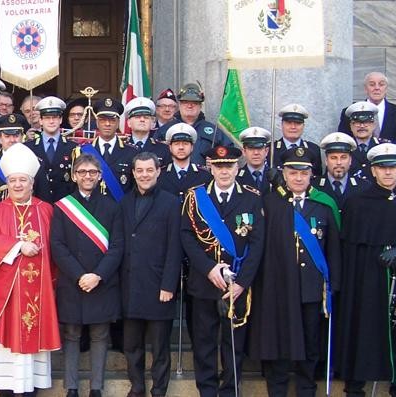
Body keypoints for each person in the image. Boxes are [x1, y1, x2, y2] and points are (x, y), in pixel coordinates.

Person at [336, 143, 396, 397]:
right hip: (365, 281)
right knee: (361, 332)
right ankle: (355, 387)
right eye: (382, 168)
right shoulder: (356, 203)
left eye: (392, 167)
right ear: (373, 171)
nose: (388, 173)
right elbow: (347, 248)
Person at [252, 147, 341, 397]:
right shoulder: (270, 203)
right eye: (292, 172)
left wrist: (334, 285)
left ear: (312, 174)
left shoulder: (323, 205)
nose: (298, 178)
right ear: (285, 173)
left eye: (303, 172)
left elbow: (334, 249)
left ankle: (306, 388)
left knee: (311, 343)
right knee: (279, 341)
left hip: (312, 288)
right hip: (279, 286)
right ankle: (277, 389)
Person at [181, 145, 265, 397]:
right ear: (210, 168)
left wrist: (242, 283)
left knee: (233, 343)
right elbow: (186, 237)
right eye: (219, 166)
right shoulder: (195, 196)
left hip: (237, 285)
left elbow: (258, 242)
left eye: (228, 166)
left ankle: (230, 390)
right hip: (205, 281)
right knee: (204, 343)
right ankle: (206, 390)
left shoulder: (252, 197)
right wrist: (208, 269)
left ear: (237, 168)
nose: (224, 171)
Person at [0, 143, 60, 397]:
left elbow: (56, 244)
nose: (17, 185)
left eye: (22, 180)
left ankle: (30, 388)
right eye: (13, 180)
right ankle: (6, 388)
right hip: (8, 292)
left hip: (39, 290)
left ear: (32, 182)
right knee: (7, 347)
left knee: (32, 343)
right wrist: (17, 246)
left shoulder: (46, 210)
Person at [51, 153, 123, 397]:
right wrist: (80, 275)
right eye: (82, 172)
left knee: (100, 335)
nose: (88, 176)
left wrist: (97, 275)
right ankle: (71, 387)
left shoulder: (112, 207)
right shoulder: (62, 207)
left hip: (102, 281)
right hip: (73, 281)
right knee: (71, 334)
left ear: (100, 176)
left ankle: (96, 388)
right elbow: (57, 246)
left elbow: (117, 247)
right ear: (74, 176)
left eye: (92, 172)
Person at [119, 151, 182, 397]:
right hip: (131, 284)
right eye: (139, 171)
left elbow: (175, 248)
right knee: (131, 345)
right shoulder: (124, 202)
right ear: (133, 173)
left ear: (158, 171)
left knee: (159, 347)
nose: (144, 175)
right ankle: (137, 387)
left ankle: (159, 390)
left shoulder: (171, 202)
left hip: (159, 286)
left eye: (149, 170)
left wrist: (169, 285)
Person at [154, 83, 234, 164]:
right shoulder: (165, 130)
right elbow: (153, 155)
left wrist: (216, 160)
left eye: (194, 103)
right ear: (180, 105)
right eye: (185, 102)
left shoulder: (213, 131)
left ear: (200, 106)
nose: (190, 106)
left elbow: (230, 153)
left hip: (205, 176)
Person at [76, 98, 137, 201]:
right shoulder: (82, 151)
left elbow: (135, 188)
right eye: (103, 120)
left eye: (112, 120)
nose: (107, 124)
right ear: (97, 122)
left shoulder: (131, 152)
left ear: (118, 123)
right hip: (90, 212)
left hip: (119, 212)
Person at [338, 72, 396, 148]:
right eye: (372, 84)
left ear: (386, 88)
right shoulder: (349, 113)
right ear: (365, 88)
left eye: (381, 84)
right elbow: (343, 142)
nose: (377, 88)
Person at [26, 96, 76, 203]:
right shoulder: (28, 148)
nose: (51, 121)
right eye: (47, 118)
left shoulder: (73, 148)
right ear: (40, 120)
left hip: (64, 206)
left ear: (61, 119)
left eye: (55, 117)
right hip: (37, 206)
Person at [157, 123, 212, 202]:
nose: (181, 147)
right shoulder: (160, 175)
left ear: (192, 147)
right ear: (170, 147)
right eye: (176, 144)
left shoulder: (204, 175)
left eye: (185, 144)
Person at [314, 132, 366, 210]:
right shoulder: (314, 186)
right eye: (333, 158)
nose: (339, 162)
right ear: (326, 161)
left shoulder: (364, 187)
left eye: (343, 157)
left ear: (350, 160)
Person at [271, 104, 322, 175]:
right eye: (288, 123)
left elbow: (317, 180)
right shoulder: (271, 149)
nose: (293, 127)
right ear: (281, 125)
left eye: (298, 123)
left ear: (303, 126)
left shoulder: (313, 149)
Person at [124, 97, 171, 163]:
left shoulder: (163, 149)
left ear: (152, 122)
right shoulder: (121, 147)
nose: (142, 120)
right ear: (128, 122)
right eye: (137, 117)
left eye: (146, 117)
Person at [345, 101, 384, 173]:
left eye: (366, 122)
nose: (362, 126)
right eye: (357, 123)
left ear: (374, 125)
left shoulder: (382, 147)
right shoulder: (345, 148)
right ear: (351, 125)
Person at [236, 127, 274, 194]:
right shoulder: (235, 177)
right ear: (244, 152)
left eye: (259, 148)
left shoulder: (275, 176)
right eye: (251, 149)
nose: (256, 153)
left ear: (266, 151)